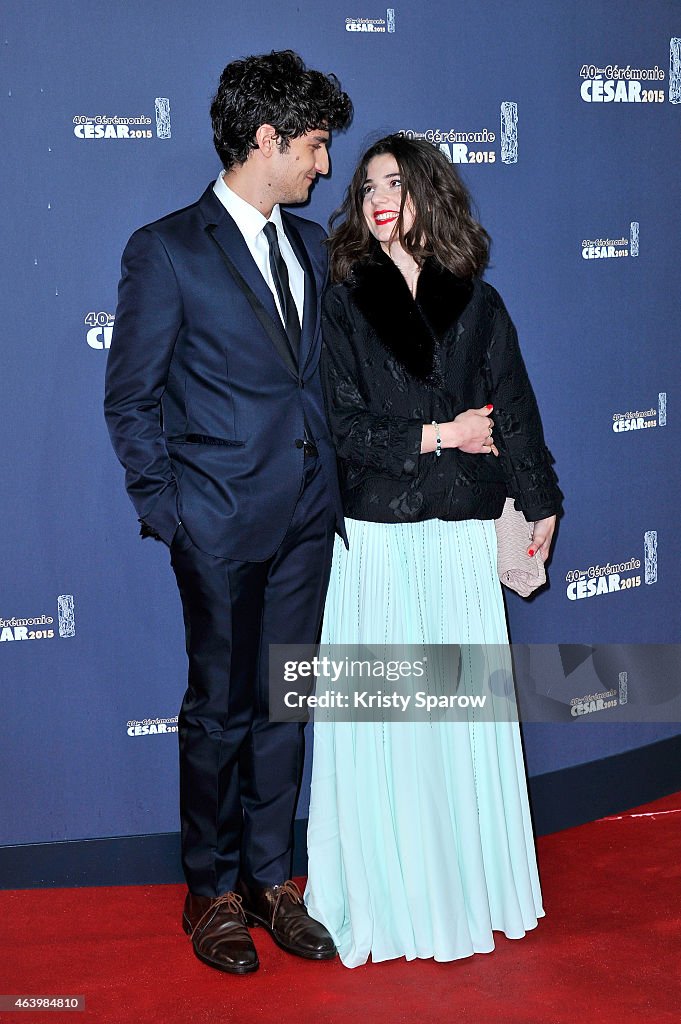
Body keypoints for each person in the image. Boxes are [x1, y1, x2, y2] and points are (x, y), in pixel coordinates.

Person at [104, 50, 352, 975]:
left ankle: (268, 881)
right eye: (316, 147)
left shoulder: (313, 247)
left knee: (285, 706)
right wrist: (174, 516)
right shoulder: (166, 249)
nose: (324, 166)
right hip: (216, 526)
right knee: (218, 712)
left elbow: (318, 381)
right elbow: (130, 400)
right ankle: (208, 894)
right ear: (266, 138)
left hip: (305, 524)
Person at [304, 134, 563, 967]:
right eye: (367, 184)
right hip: (380, 537)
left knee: (454, 721)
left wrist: (541, 500)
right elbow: (339, 426)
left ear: (428, 193)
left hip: (456, 537)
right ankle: (385, 897)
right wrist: (437, 434)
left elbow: (515, 407)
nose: (379, 196)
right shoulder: (341, 301)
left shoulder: (476, 302)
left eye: (396, 181)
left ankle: (465, 888)